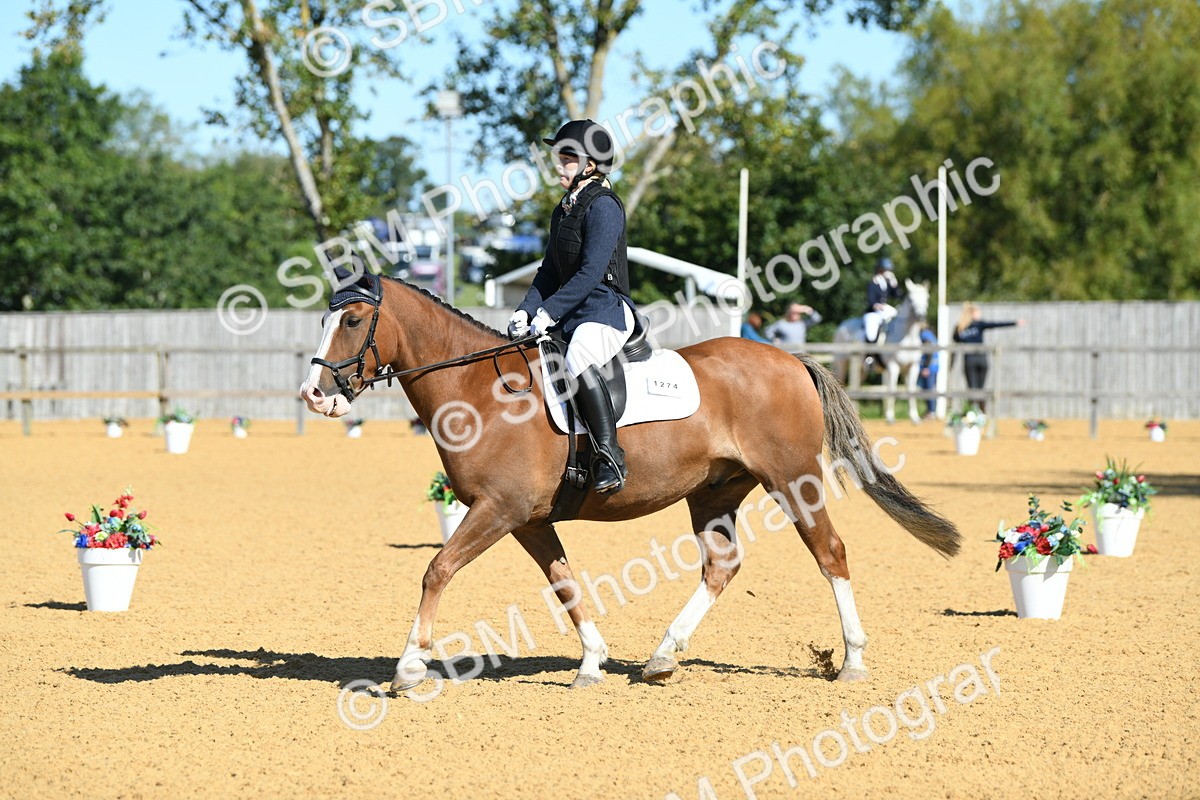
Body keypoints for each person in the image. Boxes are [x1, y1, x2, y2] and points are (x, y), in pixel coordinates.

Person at [508, 119, 634, 494]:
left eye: (567, 158)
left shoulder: (605, 206)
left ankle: (609, 455)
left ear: (590, 165)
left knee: (578, 357)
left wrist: (549, 312)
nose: (558, 165)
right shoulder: (563, 208)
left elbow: (592, 272)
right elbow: (549, 270)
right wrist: (527, 309)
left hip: (605, 310)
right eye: (559, 157)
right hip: (570, 311)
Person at [952, 302, 1025, 412]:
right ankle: (981, 413)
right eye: (978, 312)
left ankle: (972, 413)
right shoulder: (978, 324)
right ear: (972, 313)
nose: (980, 314)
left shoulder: (959, 328)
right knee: (980, 389)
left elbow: (955, 341)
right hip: (981, 359)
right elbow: (996, 324)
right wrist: (1015, 323)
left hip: (970, 360)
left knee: (972, 388)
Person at [862, 258, 900, 345]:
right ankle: (870, 354)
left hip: (883, 311)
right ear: (880, 270)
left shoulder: (886, 283)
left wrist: (894, 284)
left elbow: (897, 295)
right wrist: (877, 305)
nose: (889, 272)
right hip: (873, 313)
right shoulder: (873, 283)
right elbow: (871, 300)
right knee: (871, 334)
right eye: (886, 270)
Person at [917, 324, 939, 419]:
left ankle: (931, 412)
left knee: (928, 390)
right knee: (930, 389)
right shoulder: (931, 335)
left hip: (928, 367)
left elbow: (929, 350)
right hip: (933, 366)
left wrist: (926, 367)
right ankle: (931, 411)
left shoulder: (925, 335)